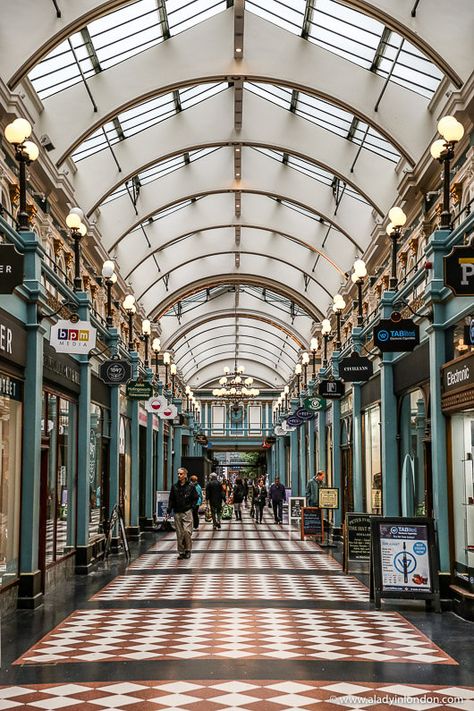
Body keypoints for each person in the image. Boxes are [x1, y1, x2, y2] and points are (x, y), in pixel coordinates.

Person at [167, 468, 198, 559]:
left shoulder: (191, 486)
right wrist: (169, 509)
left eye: (181, 474)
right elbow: (171, 498)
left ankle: (188, 550)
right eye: (178, 474)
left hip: (187, 511)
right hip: (177, 512)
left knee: (186, 531)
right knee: (179, 533)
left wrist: (192, 507)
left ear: (185, 475)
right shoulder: (175, 487)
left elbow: (195, 497)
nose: (179, 475)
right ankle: (181, 551)